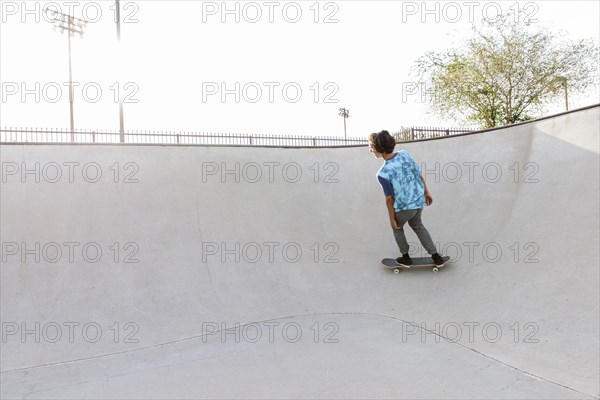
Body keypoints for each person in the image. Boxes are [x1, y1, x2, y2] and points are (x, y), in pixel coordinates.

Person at [369, 130, 445, 267]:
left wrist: (392, 219)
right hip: (419, 202)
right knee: (418, 226)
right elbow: (418, 174)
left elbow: (389, 199)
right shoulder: (405, 154)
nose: (371, 151)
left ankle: (405, 257)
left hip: (405, 208)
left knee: (397, 228)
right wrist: (426, 192)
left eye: (371, 147)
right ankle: (436, 257)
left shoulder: (382, 173)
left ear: (379, 148)